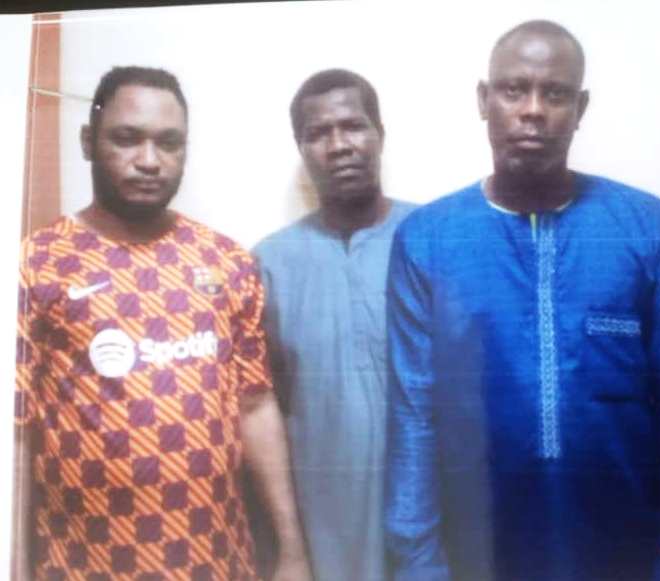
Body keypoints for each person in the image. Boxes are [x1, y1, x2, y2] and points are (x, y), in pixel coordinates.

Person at [385, 20, 660, 581]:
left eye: (556, 93)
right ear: (484, 100)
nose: (533, 110)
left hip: (627, 553)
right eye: (514, 90)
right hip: (479, 556)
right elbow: (412, 415)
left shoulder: (646, 227)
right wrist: (420, 566)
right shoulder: (428, 238)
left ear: (580, 107)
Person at [12, 66, 310, 581]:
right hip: (83, 566)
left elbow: (256, 404)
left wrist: (291, 550)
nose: (149, 160)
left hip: (217, 563)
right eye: (127, 139)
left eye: (168, 143)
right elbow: (15, 436)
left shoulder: (226, 261)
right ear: (88, 142)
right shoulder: (35, 264)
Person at [253, 69, 415, 581]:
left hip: (429, 528)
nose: (339, 145)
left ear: (380, 134)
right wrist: (287, 548)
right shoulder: (268, 265)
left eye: (353, 126)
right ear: (301, 149)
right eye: (318, 133)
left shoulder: (431, 239)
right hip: (324, 533)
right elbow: (261, 411)